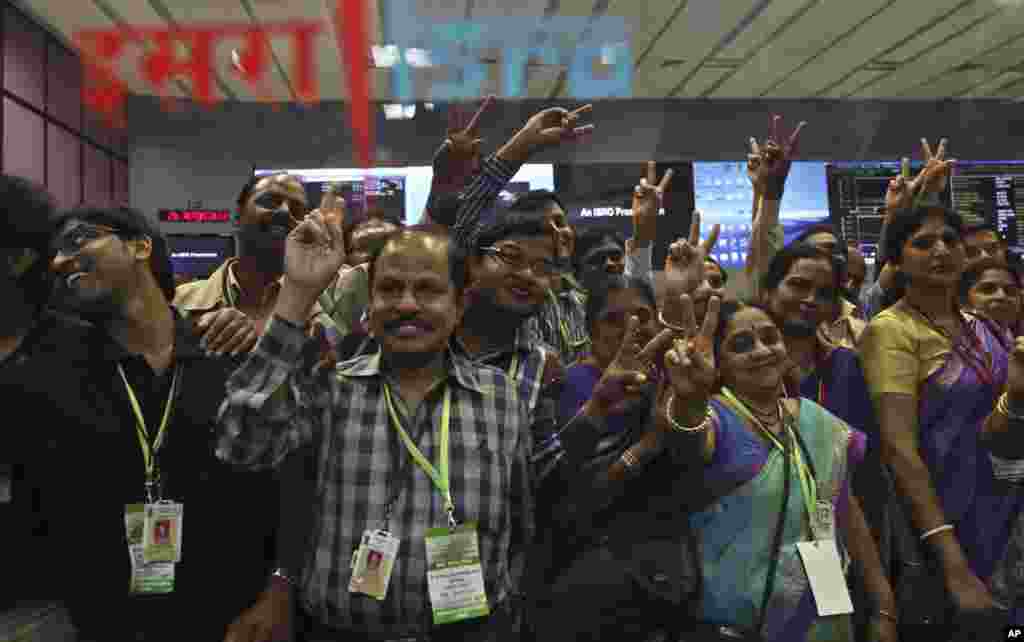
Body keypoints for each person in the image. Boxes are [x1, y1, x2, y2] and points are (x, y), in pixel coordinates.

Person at [217, 220, 532, 641]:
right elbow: (241, 445)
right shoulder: (330, 387)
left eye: (428, 290)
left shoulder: (501, 397)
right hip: (339, 633)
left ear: (460, 304)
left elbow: (520, 522)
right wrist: (296, 294)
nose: (405, 304)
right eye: (389, 289)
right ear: (370, 303)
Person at [31, 205, 277, 641]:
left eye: (77, 240)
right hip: (103, 624)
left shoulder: (224, 350)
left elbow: (282, 481)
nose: (59, 261)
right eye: (54, 253)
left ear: (140, 246)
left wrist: (279, 590)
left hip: (229, 622)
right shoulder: (54, 372)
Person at [671, 299, 895, 642]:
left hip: (825, 607)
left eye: (769, 338)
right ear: (718, 363)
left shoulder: (817, 422)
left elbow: (846, 514)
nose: (761, 351)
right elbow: (689, 444)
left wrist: (884, 605)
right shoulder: (714, 420)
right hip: (738, 626)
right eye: (741, 345)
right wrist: (690, 400)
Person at [859, 205, 1019, 639]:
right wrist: (952, 561)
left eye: (950, 240)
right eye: (923, 243)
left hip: (1011, 510)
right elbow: (899, 449)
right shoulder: (891, 330)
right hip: (947, 519)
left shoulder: (985, 326)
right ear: (897, 259)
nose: (942, 250)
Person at [173, 172, 330, 353]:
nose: (285, 212)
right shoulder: (180, 303)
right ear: (237, 217)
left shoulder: (320, 312)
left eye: (296, 210)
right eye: (270, 202)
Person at [789, 224, 866, 349]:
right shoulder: (782, 318)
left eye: (837, 252)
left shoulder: (861, 329)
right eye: (821, 251)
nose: (833, 258)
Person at [960, 256, 1022, 334]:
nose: (1001, 296)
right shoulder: (958, 336)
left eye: (1010, 291)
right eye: (987, 289)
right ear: (965, 298)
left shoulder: (1007, 333)